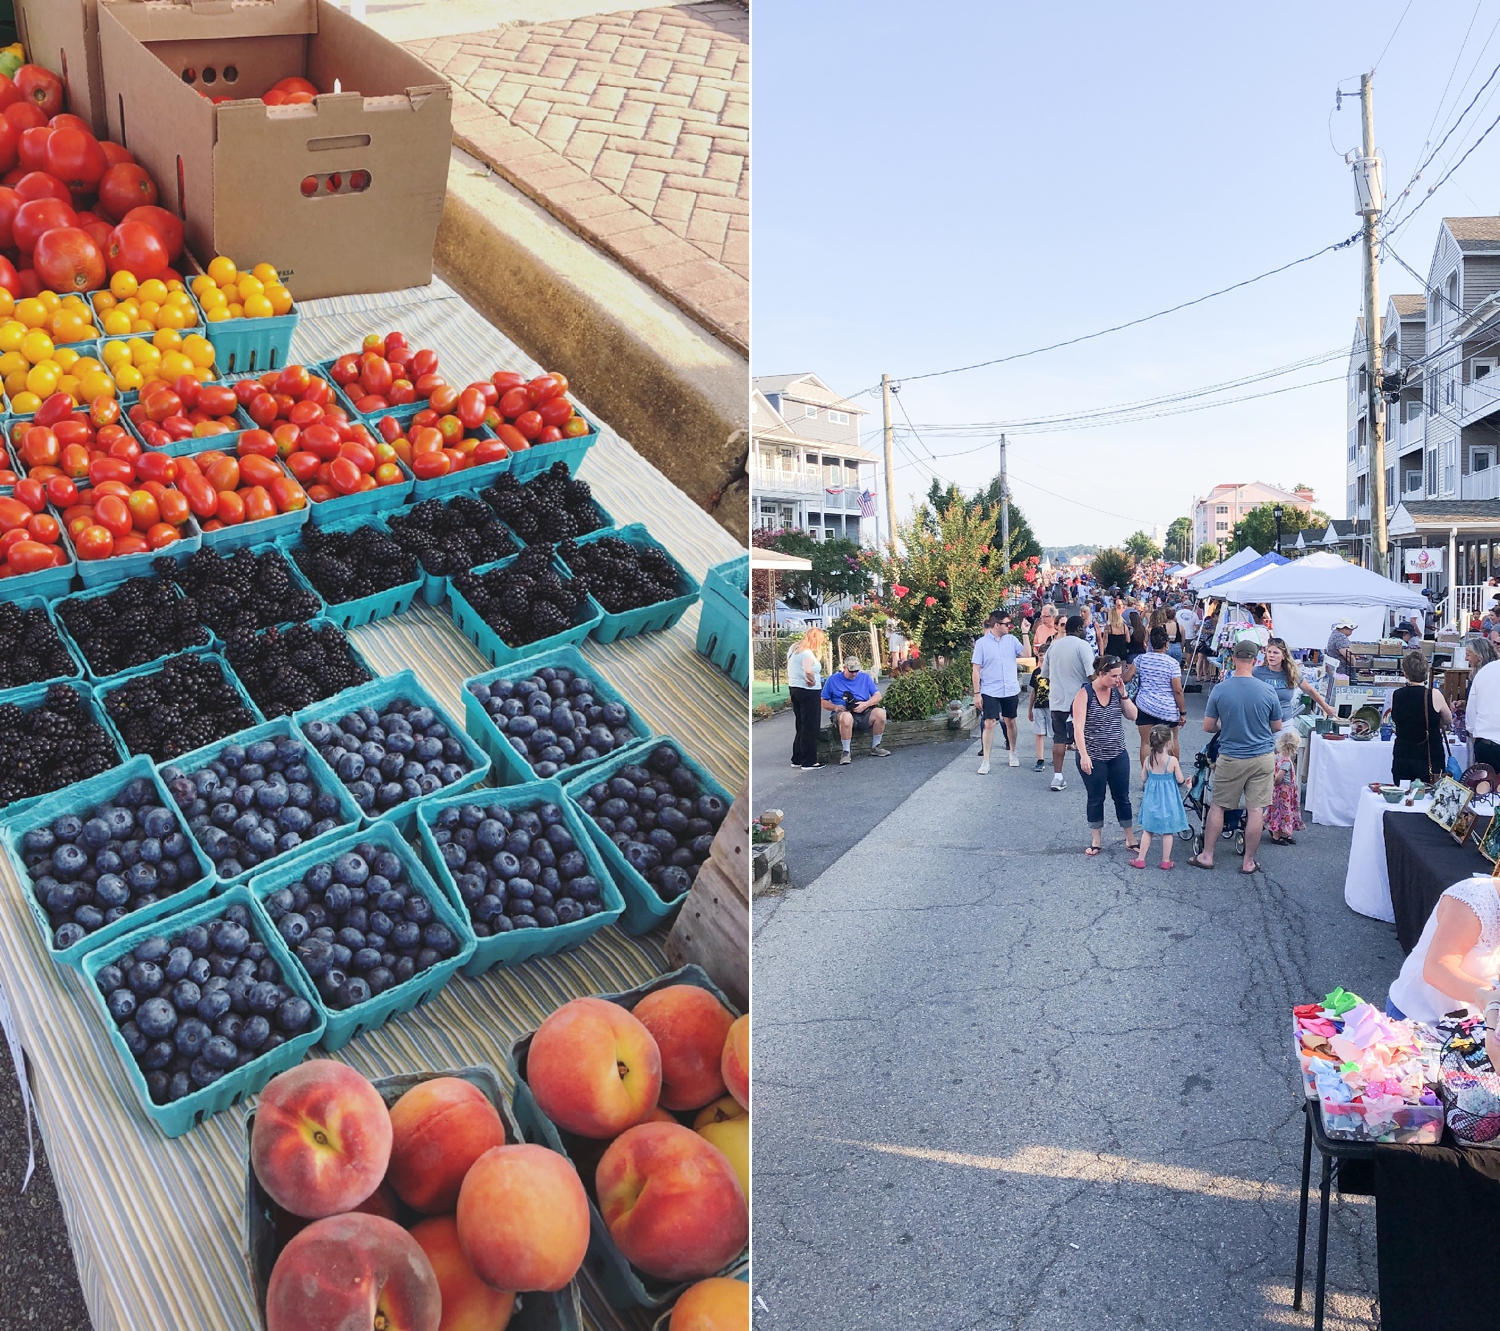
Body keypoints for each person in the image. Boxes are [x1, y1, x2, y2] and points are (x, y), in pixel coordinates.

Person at [1188, 638, 1282, 874]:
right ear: (1255, 659)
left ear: (1233, 659)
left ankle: (1208, 855)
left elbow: (1208, 726)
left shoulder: (1221, 689)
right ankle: (1248, 861)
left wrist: (1226, 723)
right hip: (1262, 756)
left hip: (1231, 755)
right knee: (1255, 809)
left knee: (1218, 805)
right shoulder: (1267, 691)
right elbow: (1277, 726)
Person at [1386, 872, 1500, 1025]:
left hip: (1468, 1023)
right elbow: (1436, 969)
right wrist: (1491, 996)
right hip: (1417, 1018)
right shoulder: (1474, 900)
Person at [1072, 655, 1140, 855]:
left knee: (1122, 797)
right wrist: (1084, 755)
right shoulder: (1085, 694)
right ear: (1101, 674)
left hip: (1117, 752)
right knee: (1096, 797)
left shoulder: (1117, 691)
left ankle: (1130, 838)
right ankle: (1096, 840)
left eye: (1120, 675)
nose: (1118, 679)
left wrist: (1123, 694)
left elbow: (1133, 716)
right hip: (1093, 755)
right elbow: (1078, 728)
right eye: (1113, 676)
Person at [1041, 615, 1096, 792]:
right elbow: (1091, 675)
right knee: (1087, 737)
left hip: (1057, 700)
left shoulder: (1054, 646)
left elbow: (1045, 673)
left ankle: (1057, 777)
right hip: (1080, 701)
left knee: (1059, 739)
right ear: (1079, 628)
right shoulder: (1083, 646)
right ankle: (1094, 774)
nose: (1086, 631)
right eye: (1085, 628)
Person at [972, 611, 1029, 773]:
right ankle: (986, 760)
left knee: (1010, 721)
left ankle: (1013, 752)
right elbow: (976, 669)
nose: (1009, 627)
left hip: (1009, 687)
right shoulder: (982, 643)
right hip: (990, 689)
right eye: (1006, 624)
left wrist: (1025, 632)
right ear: (997, 625)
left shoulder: (1011, 640)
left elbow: (1026, 654)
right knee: (989, 723)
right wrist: (977, 693)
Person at [1390, 649, 1453, 783]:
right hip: (1430, 757)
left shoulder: (1396, 695)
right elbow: (1449, 720)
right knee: (1430, 798)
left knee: (1404, 797)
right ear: (1426, 672)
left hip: (1403, 756)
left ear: (1405, 674)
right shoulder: (1434, 695)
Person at [1133, 723, 1187, 870]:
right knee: (1167, 831)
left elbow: (1143, 778)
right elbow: (1180, 780)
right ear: (1169, 742)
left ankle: (1141, 859)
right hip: (1168, 800)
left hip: (1152, 799)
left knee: (1148, 830)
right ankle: (1165, 860)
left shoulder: (1148, 760)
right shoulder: (1172, 761)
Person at [1132, 626, 1186, 770]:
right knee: (1172, 740)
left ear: (1150, 643)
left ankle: (1146, 776)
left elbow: (1127, 677)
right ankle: (1173, 773)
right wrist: (1182, 712)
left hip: (1144, 705)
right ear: (1166, 644)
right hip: (1167, 709)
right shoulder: (1172, 663)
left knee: (1145, 742)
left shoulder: (1141, 659)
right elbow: (1178, 690)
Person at [821, 656, 889, 764]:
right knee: (847, 717)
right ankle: (846, 752)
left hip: (863, 710)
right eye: (852, 671)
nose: (855, 674)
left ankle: (876, 746)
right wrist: (835, 707)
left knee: (880, 713)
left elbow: (877, 696)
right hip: (843, 712)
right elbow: (823, 701)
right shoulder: (833, 679)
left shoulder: (865, 677)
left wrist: (866, 704)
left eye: (857, 671)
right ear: (844, 668)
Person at [1254, 638, 1336, 724]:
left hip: (1284, 722)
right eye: (1269, 652)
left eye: (1275, 653)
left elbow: (1310, 690)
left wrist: (1326, 707)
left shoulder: (1292, 673)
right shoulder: (1257, 672)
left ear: (1284, 656)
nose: (1271, 655)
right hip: (1262, 723)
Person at [786, 626, 826, 770]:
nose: (821, 644)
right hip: (808, 691)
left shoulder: (794, 649)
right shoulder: (807, 653)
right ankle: (809, 761)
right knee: (811, 726)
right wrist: (811, 680)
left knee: (801, 724)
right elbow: (808, 669)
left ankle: (797, 757)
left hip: (794, 688)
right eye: (820, 641)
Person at [1463, 634, 1500, 768]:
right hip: (1487, 741)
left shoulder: (1485, 671)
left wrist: (1474, 734)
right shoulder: (1485, 671)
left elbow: (1471, 714)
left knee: (1486, 786)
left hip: (1486, 743)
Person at [1266, 730, 1305, 845]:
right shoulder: (1286, 762)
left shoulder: (1277, 757)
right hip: (1284, 791)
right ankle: (1277, 836)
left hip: (1282, 791)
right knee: (1283, 812)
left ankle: (1284, 833)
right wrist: (1275, 781)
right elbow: (1278, 778)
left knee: (1281, 812)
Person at [1027, 648, 1051, 773]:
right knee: (1039, 732)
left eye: (1045, 655)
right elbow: (1033, 691)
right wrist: (1029, 708)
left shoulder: (1055, 671)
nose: (1042, 657)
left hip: (1052, 706)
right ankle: (1040, 759)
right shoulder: (1036, 672)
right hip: (1039, 705)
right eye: (1041, 655)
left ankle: (1056, 755)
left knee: (1055, 733)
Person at [1324, 617, 1357, 684]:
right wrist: (1358, 666)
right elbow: (1348, 655)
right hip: (1342, 673)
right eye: (1347, 628)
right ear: (1341, 629)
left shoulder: (1335, 635)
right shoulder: (1340, 637)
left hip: (1337, 671)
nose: (1351, 630)